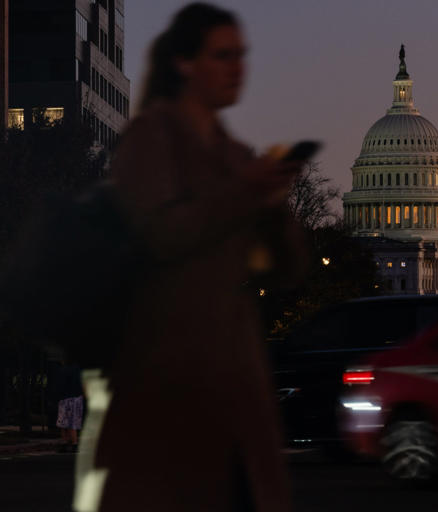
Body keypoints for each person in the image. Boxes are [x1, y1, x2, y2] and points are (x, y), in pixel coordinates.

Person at [85, 4, 306, 511]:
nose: (238, 68)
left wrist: (273, 202)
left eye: (242, 55)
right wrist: (246, 190)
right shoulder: (149, 140)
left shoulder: (237, 155)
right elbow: (162, 235)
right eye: (222, 55)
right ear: (184, 63)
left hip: (235, 395)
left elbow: (290, 268)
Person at [55, 362, 83, 453]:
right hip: (77, 397)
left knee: (64, 422)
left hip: (66, 398)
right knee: (72, 421)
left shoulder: (62, 370)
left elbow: (59, 385)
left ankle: (67, 443)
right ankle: (73, 443)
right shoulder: (78, 369)